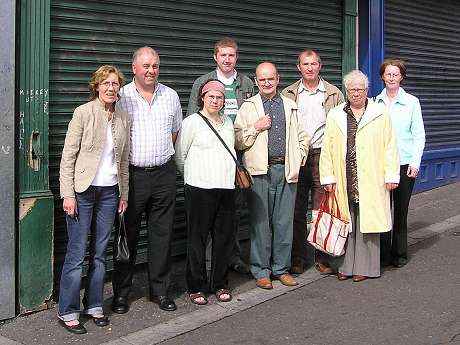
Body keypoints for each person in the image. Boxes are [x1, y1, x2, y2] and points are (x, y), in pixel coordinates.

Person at [58, 65, 130, 334]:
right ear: (97, 87)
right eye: (106, 84)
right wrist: (68, 194)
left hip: (110, 192)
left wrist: (124, 193)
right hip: (83, 192)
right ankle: (67, 310)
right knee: (77, 253)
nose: (111, 88)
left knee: (100, 254)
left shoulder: (123, 117)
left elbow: (123, 160)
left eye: (115, 84)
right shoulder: (83, 113)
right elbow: (68, 157)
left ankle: (94, 304)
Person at [111, 46, 182, 313]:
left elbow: (175, 133)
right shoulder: (121, 97)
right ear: (134, 68)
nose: (151, 71)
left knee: (162, 235)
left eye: (155, 66)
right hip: (132, 177)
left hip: (164, 173)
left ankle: (160, 291)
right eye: (146, 66)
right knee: (126, 235)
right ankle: (121, 294)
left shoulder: (171, 96)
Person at [319, 69, 400, 282]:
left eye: (360, 89)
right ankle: (345, 266)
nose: (356, 93)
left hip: (371, 177)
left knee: (368, 222)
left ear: (367, 90)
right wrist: (327, 177)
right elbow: (327, 148)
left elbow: (390, 146)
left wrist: (392, 175)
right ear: (346, 91)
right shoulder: (335, 115)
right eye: (352, 89)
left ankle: (366, 267)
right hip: (344, 176)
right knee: (346, 221)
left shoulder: (380, 113)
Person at [234, 62, 309, 289]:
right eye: (262, 79)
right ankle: (261, 270)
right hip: (259, 173)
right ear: (256, 82)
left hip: (286, 171)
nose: (267, 83)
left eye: (271, 78)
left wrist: (300, 157)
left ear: (278, 79)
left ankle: (281, 269)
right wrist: (256, 127)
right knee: (260, 225)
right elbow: (238, 140)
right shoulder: (249, 107)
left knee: (284, 223)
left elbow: (303, 136)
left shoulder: (290, 105)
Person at [187, 37, 254, 275]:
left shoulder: (246, 83)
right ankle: (207, 264)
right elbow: (192, 122)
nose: (227, 59)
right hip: (210, 157)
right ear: (215, 57)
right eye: (223, 55)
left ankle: (231, 257)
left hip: (239, 154)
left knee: (232, 212)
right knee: (206, 216)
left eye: (232, 55)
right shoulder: (203, 83)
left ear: (237, 57)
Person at [282, 49, 344, 275]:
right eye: (305, 64)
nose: (309, 67)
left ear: (320, 66)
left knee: (321, 209)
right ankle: (297, 257)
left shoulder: (334, 93)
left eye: (314, 63)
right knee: (296, 209)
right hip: (297, 156)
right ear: (299, 67)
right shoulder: (288, 93)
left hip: (322, 155)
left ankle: (322, 257)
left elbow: (341, 129)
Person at [176, 80, 235, 305]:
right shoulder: (192, 122)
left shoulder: (228, 122)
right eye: (211, 97)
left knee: (223, 239)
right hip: (199, 188)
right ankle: (196, 286)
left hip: (226, 187)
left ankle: (220, 283)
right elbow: (180, 156)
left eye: (219, 97)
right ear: (202, 98)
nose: (215, 101)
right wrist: (193, 175)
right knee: (197, 239)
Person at [376, 58, 426, 268]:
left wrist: (415, 162)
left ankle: (400, 253)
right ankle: (383, 254)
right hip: (381, 165)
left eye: (396, 74)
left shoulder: (412, 102)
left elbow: (419, 135)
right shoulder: (374, 102)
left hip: (404, 164)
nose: (392, 78)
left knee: (400, 211)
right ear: (382, 77)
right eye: (388, 74)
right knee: (382, 210)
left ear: (402, 77)